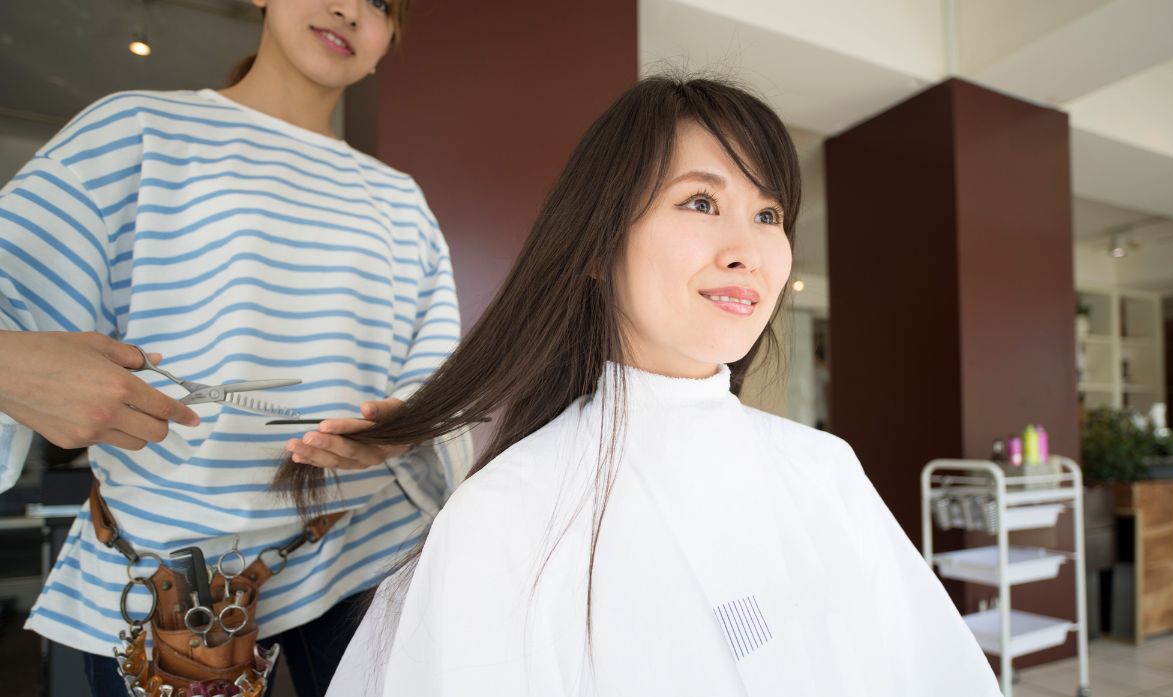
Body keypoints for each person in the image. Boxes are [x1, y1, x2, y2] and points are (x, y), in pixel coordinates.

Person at [312, 76, 1001, 696]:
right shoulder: (505, 517)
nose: (747, 250)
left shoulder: (825, 469)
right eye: (701, 201)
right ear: (595, 245)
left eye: (768, 215)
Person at [0, 1, 470, 695]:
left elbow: (439, 377)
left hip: (368, 562)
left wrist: (400, 427)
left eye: (380, 3)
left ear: (388, 41)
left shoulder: (401, 201)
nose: (349, 8)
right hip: (172, 592)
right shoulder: (134, 130)